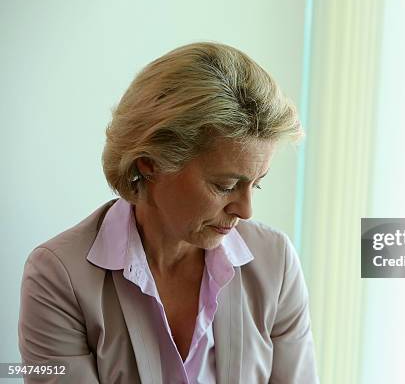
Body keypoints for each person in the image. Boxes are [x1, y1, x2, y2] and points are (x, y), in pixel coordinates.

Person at [18, 42, 319, 383]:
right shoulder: (58, 278)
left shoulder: (275, 262)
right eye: (224, 185)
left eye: (257, 184)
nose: (246, 210)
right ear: (150, 164)